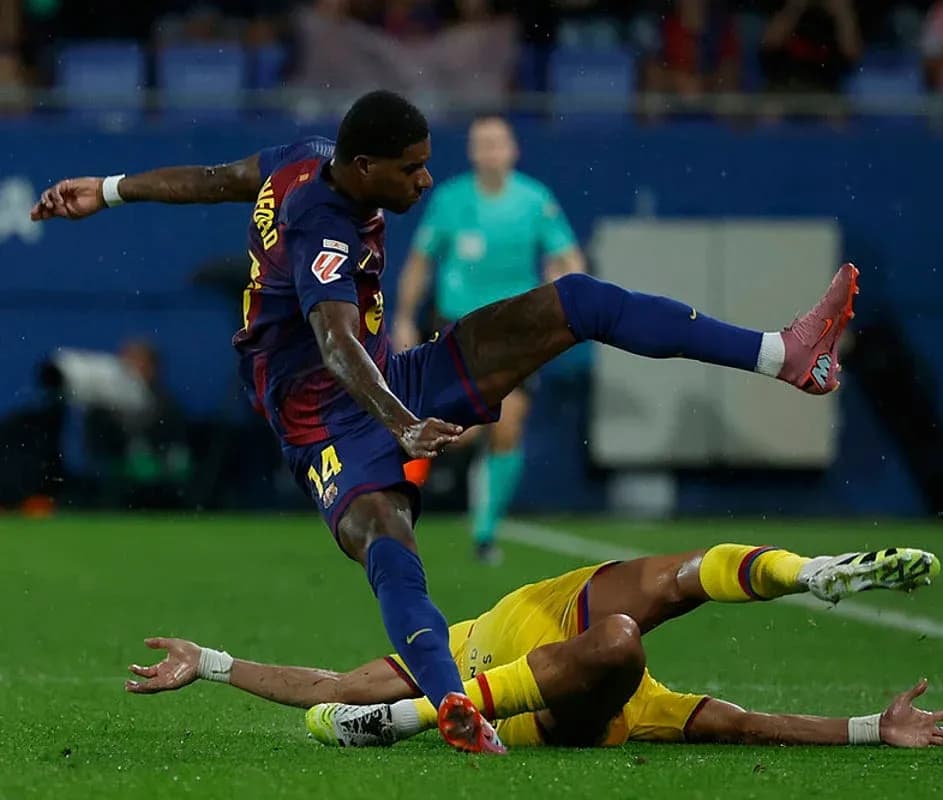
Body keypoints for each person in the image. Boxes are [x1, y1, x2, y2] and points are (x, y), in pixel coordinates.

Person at [31, 89, 857, 755]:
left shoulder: (303, 160)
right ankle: (453, 701)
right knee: (389, 545)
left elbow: (218, 176)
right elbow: (333, 339)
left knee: (577, 302)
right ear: (364, 167)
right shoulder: (325, 230)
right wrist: (400, 423)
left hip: (392, 378)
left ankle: (784, 356)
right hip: (322, 417)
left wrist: (106, 191)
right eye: (412, 170)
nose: (425, 183)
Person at [124, 543, 943, 750]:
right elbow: (321, 689)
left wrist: (868, 730)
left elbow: (751, 724)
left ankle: (428, 719)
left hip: (555, 654)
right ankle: (809, 570)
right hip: (534, 676)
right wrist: (214, 664)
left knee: (641, 615)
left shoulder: (446, 642)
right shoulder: (633, 711)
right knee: (643, 616)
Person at [393, 115, 585, 564]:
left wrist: (570, 287)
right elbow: (420, 262)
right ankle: (392, 509)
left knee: (509, 426)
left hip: (514, 332)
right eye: (482, 142)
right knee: (439, 431)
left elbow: (567, 256)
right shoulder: (451, 199)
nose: (491, 150)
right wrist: (403, 316)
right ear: (472, 151)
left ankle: (484, 533)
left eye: (498, 141)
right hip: (456, 328)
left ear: (513, 148)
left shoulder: (535, 200)